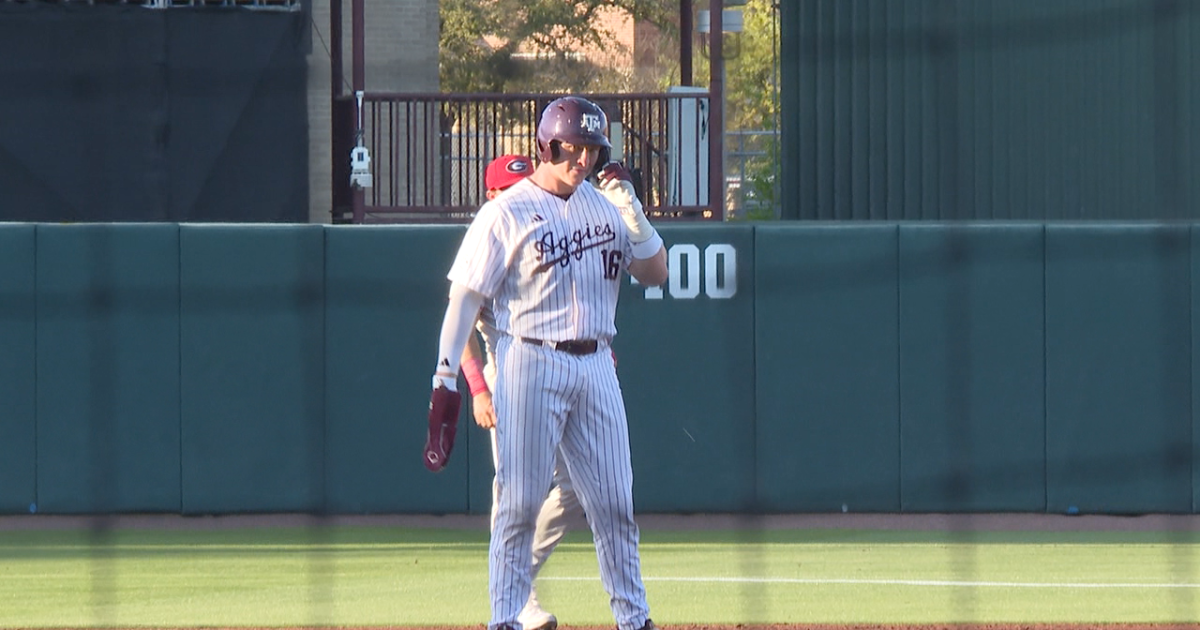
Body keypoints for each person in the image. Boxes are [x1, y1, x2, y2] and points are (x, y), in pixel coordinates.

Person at [426, 96, 668, 630]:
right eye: (571, 147)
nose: (580, 158)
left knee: (614, 505)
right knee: (519, 503)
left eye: (591, 149)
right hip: (528, 360)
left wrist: (635, 212)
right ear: (548, 144)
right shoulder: (504, 212)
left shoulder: (605, 209)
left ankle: (634, 620)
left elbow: (655, 273)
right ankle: (506, 619)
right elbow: (463, 300)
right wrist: (447, 375)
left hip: (597, 362)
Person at [459, 153, 586, 630]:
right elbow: (458, 329)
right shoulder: (485, 243)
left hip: (565, 375)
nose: (518, 196)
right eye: (507, 190)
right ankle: (519, 601)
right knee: (516, 494)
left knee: (577, 486)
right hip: (509, 378)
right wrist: (477, 390)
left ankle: (515, 573)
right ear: (491, 195)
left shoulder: (545, 237)